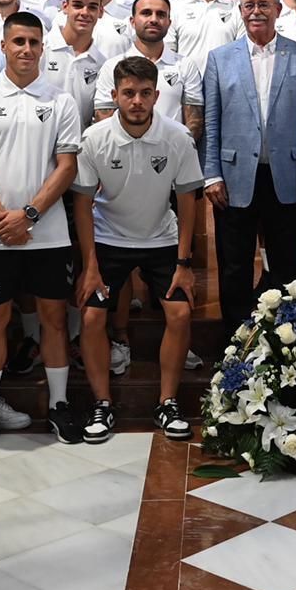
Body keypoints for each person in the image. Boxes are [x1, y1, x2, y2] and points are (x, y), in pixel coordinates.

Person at [0, 11, 84, 451]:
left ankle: (60, 404)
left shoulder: (61, 101)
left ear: (42, 47)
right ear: (5, 46)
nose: (26, 49)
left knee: (52, 319)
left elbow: (67, 166)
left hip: (47, 235)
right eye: (18, 42)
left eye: (34, 42)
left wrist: (27, 215)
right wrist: (1, 218)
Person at [72, 57, 205, 443]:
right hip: (108, 238)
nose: (136, 101)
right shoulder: (94, 138)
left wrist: (184, 264)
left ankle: (167, 402)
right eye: (128, 93)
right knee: (93, 319)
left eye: (145, 94)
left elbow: (187, 200)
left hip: (161, 238)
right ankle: (102, 404)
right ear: (114, 96)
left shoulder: (177, 137)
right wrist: (90, 266)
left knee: (179, 313)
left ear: (156, 96)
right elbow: (82, 204)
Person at [203, 0, 296, 346]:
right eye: (249, 5)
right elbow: (212, 121)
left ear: (278, 10)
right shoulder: (220, 59)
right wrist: (211, 174)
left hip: (286, 176)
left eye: (263, 5)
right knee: (235, 264)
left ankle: (287, 342)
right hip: (234, 175)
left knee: (287, 263)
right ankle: (236, 340)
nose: (256, 11)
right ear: (240, 12)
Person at [94, 0, 204, 138]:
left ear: (169, 22)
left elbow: (194, 122)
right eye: (146, 13)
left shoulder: (185, 65)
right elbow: (103, 120)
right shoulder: (112, 66)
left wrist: (173, 152)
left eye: (160, 14)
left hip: (171, 155)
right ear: (132, 21)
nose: (153, 19)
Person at [47, 0, 128, 130]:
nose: (85, 12)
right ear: (65, 7)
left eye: (92, 7)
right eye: (77, 5)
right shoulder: (41, 50)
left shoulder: (102, 64)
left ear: (101, 11)